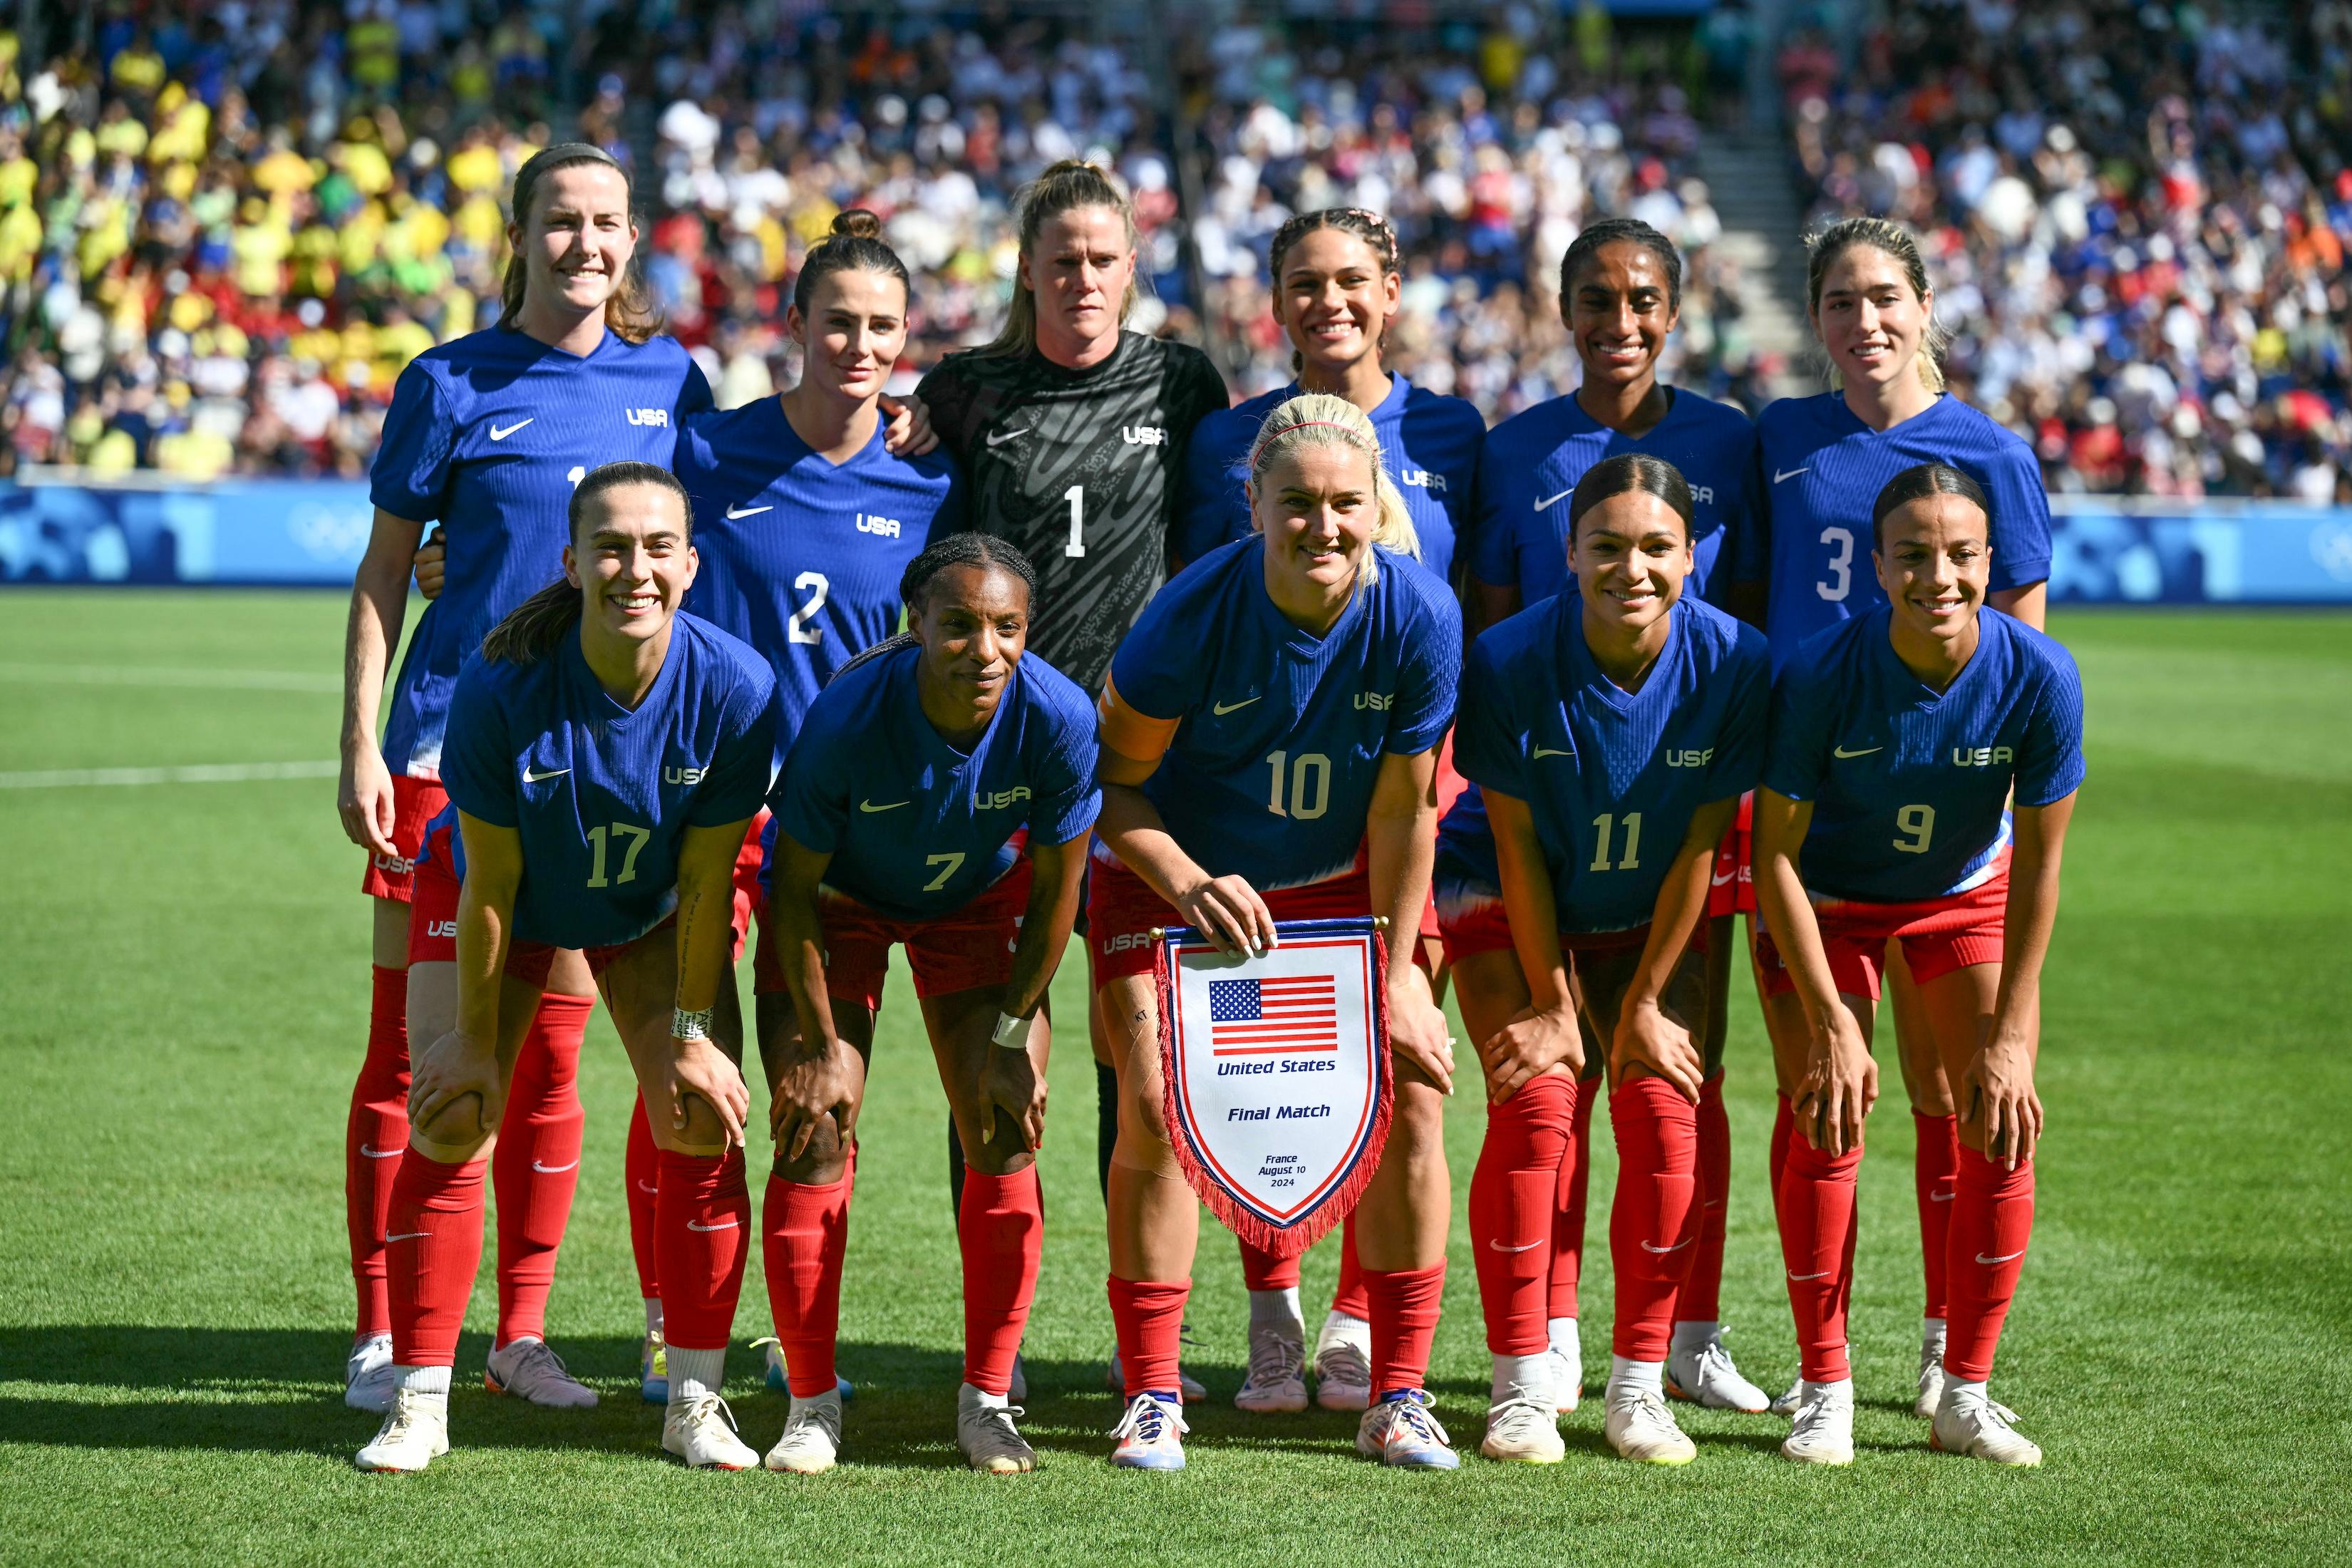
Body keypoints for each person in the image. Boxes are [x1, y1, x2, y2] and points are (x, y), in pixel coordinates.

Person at [336, 143, 709, 1415]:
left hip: (595, 768)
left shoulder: (676, 384)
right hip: (447, 752)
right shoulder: (447, 381)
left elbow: (710, 536)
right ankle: (385, 1332)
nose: (586, 245)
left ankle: (520, 1333)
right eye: (561, 221)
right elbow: (388, 573)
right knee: (416, 1051)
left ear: (632, 238)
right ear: (520, 233)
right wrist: (360, 744)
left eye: (607, 223)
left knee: (551, 1057)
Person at [354, 463, 783, 1473]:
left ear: (692, 563)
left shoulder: (737, 686)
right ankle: (419, 1400)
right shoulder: (503, 684)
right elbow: (492, 885)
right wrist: (467, 1041)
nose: (635, 569)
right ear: (573, 561)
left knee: (697, 1115)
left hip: (646, 914)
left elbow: (709, 875)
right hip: (506, 902)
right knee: (456, 1107)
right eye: (611, 547)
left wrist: (687, 1041)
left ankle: (696, 1402)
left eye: (656, 548)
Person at [1090, 393, 1461, 1471]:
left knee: (1418, 1091)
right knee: (1157, 1105)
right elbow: (1110, 790)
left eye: (1347, 504)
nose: (1324, 526)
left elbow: (1404, 812)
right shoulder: (1190, 614)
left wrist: (1395, 974)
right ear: (1253, 503)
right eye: (1297, 503)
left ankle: (1398, 1393)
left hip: (1341, 888)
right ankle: (1154, 1392)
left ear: (1375, 503)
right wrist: (1190, 879)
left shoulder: (1419, 616)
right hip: (1173, 880)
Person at [915, 158, 1230, 1396]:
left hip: (1142, 768)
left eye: (1105, 258)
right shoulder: (968, 391)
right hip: (1006, 763)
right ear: (1028, 270)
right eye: (1063, 260)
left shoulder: (1183, 379)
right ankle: (999, 1340)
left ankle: (1128, 1338)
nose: (1083, 278)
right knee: (1002, 1040)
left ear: (1130, 268)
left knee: (1129, 1057)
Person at [1738, 216, 2053, 1420]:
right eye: (1838, 302)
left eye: (1884, 298)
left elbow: (2018, 638)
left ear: (1926, 304)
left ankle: (1943, 1354)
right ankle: (1826, 1377)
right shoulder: (1784, 441)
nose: (1862, 323)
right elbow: (1751, 602)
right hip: (1804, 815)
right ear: (1813, 318)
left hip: (1941, 821)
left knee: (1947, 1092)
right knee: (1826, 1092)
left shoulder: (1992, 453)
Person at [1172, 205, 1485, 1415]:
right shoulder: (1225, 445)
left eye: (1352, 280)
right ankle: (1270, 1315)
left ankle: (1356, 1322)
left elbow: (1486, 611)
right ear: (1276, 301)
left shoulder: (1456, 432)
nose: (1329, 303)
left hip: (1413, 796)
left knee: (1389, 1070)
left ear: (1392, 289)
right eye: (1304, 283)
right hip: (1258, 797)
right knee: (1269, 1062)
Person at [1460, 217, 1773, 1419]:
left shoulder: (1729, 444)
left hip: (1672, 792)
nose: (1620, 321)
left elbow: (1732, 610)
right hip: (1541, 791)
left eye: (1643, 298)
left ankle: (1681, 1341)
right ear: (1562, 307)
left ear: (1676, 310)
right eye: (1597, 298)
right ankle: (1537, 1355)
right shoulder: (1516, 450)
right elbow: (1492, 607)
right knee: (1543, 1093)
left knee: (1678, 1082)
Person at [669, 209, 961, 1401]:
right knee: (698, 1086)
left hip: (842, 843)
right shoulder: (708, 452)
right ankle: (682, 1348)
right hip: (712, 822)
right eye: (836, 321)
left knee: (804, 1108)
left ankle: (785, 1366)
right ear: (793, 325)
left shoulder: (932, 481)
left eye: (882, 327)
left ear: (907, 340)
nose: (859, 344)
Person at [1753, 463, 2081, 1468]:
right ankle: (1826, 1388)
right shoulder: (1818, 672)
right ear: (1877, 566)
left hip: (1958, 899)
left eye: (1961, 555)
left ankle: (1964, 1389)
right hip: (1824, 904)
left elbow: (2040, 866)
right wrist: (1831, 1016)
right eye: (1913, 555)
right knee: (1827, 1101)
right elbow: (1770, 857)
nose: (1938, 576)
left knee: (1998, 1113)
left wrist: (2014, 1036)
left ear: (1992, 560)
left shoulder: (2040, 674)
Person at [755, 535, 1097, 1476]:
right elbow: (790, 893)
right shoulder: (849, 716)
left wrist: (1012, 1032)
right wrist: (821, 1045)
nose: (981, 649)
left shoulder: (1061, 718)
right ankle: (812, 1404)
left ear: (1028, 633)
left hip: (976, 909)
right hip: (837, 913)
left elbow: (1057, 893)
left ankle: (988, 1402)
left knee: (1004, 1120)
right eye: (957, 624)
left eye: (1005, 627)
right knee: (813, 1125)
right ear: (917, 626)